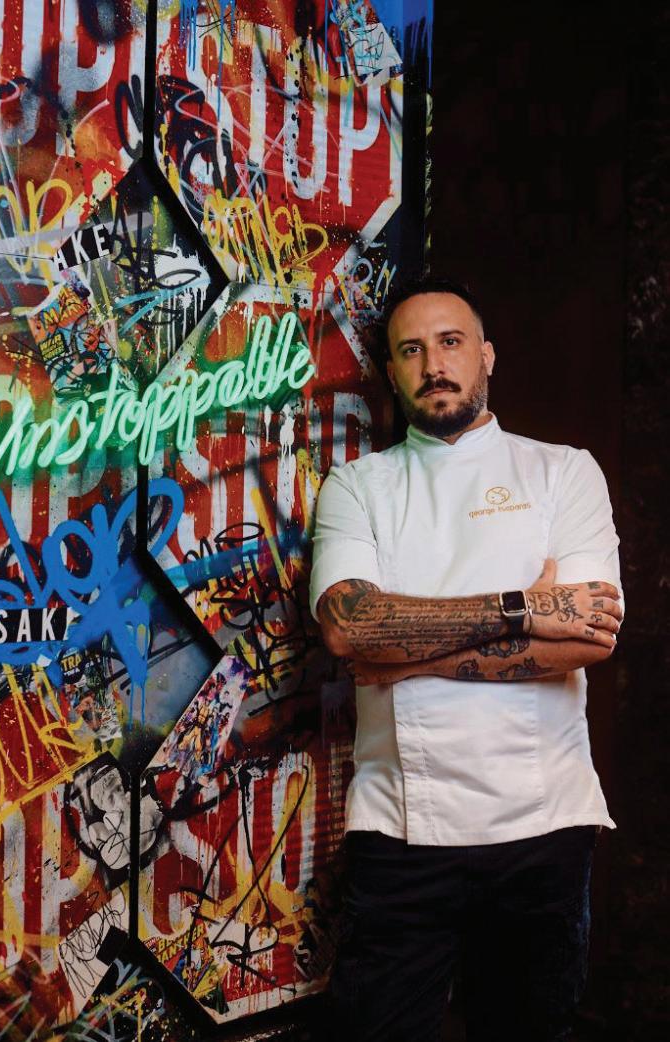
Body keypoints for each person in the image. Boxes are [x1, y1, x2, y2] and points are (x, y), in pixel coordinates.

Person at [309, 275, 623, 1042]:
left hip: (543, 823)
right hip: (401, 829)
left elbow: (587, 636)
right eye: (410, 350)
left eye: (449, 342)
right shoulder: (356, 486)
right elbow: (351, 628)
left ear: (485, 354)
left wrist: (408, 658)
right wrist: (520, 608)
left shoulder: (563, 472)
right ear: (391, 372)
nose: (433, 365)